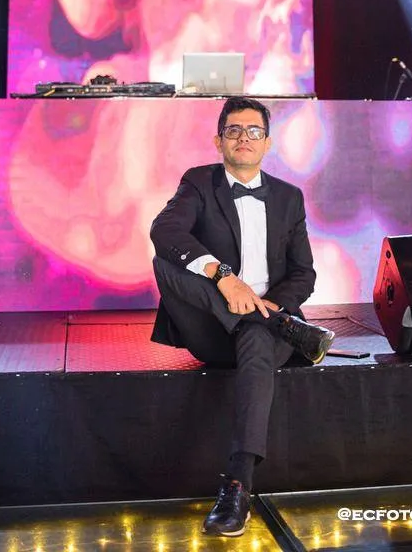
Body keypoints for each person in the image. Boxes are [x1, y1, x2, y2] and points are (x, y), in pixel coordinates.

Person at [150, 96, 334, 537]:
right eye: (233, 130)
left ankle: (238, 484)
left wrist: (270, 307)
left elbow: (303, 273)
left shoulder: (289, 197)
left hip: (268, 335)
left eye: (254, 131)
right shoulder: (198, 182)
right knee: (163, 261)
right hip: (213, 329)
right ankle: (271, 323)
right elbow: (164, 231)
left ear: (267, 143)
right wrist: (224, 277)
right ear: (219, 141)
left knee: (255, 337)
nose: (244, 138)